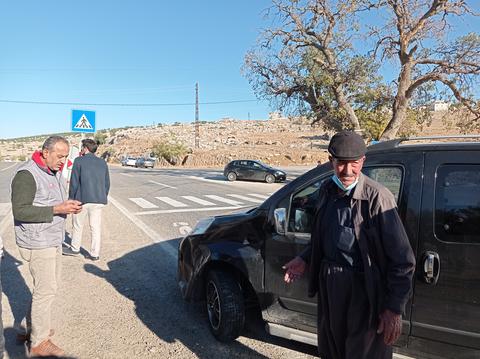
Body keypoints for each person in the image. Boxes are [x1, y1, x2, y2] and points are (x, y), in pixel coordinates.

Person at [283, 130, 415, 359]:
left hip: (364, 292)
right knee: (331, 349)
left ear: (363, 161)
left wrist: (393, 309)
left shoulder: (378, 198)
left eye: (353, 164)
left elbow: (403, 261)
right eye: (340, 164)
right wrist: (304, 258)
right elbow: (324, 237)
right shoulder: (326, 191)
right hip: (330, 286)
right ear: (330, 161)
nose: (346, 171)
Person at [11, 135, 82, 357]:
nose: (63, 161)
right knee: (46, 290)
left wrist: (66, 206)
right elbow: (20, 210)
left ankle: (32, 329)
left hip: (51, 239)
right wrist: (57, 210)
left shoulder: (53, 171)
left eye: (65, 157)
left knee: (45, 289)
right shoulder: (26, 175)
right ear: (45, 153)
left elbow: (52, 200)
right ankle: (38, 342)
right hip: (37, 241)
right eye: (59, 156)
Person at [63, 138, 110, 260]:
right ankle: (95, 254)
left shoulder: (79, 161)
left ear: (86, 148)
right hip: (98, 200)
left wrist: (71, 199)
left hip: (81, 200)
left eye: (82, 147)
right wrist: (102, 195)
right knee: (95, 228)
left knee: (78, 225)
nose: (81, 149)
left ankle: (75, 248)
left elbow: (74, 182)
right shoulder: (102, 162)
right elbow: (107, 183)